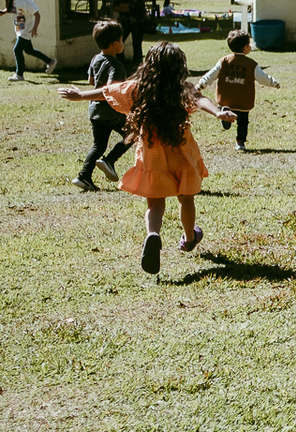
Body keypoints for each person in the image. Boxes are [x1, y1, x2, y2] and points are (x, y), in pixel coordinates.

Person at [57, 42, 236, 275]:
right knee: (186, 199)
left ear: (149, 65)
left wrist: (80, 95)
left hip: (152, 154)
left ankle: (153, 234)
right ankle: (190, 237)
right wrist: (218, 111)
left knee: (155, 203)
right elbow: (201, 100)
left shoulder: (139, 88)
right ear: (179, 67)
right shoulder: (182, 88)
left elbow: (107, 91)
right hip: (181, 152)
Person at [70, 20, 132, 191]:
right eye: (121, 40)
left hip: (95, 111)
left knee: (99, 145)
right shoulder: (116, 66)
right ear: (115, 44)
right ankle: (109, 160)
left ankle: (83, 176)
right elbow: (110, 90)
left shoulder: (95, 59)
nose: (122, 43)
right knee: (134, 132)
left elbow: (91, 80)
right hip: (112, 111)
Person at [196, 29, 281, 152]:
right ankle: (240, 142)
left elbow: (211, 75)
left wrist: (200, 85)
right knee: (243, 122)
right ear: (245, 47)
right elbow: (263, 78)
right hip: (243, 100)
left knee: (228, 110)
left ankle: (224, 113)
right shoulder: (251, 64)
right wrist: (274, 83)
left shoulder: (224, 61)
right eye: (249, 44)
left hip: (226, 99)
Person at [0, 0, 56, 81]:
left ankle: (19, 75)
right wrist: (3, 12)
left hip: (26, 30)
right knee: (29, 50)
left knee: (17, 49)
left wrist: (35, 28)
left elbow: (37, 15)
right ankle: (50, 61)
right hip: (19, 28)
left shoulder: (26, 0)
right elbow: (12, 10)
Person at [112, 0, 148, 64]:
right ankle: (121, 64)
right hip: (124, 22)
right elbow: (115, 7)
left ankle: (137, 65)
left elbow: (137, 7)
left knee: (137, 45)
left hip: (137, 22)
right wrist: (129, 6)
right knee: (119, 42)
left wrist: (123, 6)